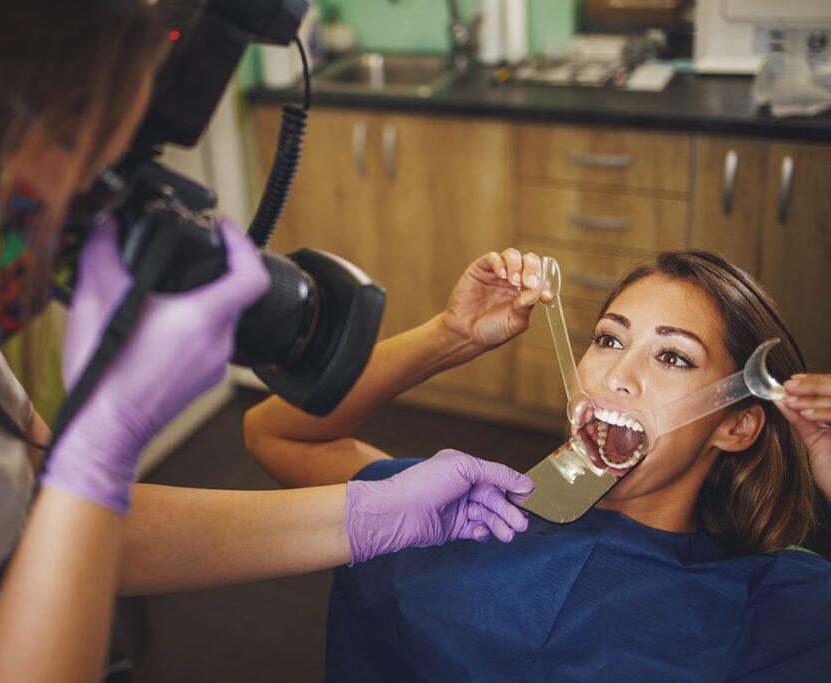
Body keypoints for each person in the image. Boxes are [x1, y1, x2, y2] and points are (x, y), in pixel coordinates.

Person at [0, 3, 536, 681]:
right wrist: (100, 443)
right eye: (82, 178)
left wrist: (367, 513)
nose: (79, 233)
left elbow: (57, 528)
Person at [245, 247, 831, 680]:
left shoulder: (774, 607)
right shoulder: (453, 510)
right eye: (607, 339)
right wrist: (450, 336)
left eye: (673, 356)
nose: (616, 377)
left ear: (735, 424)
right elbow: (276, 432)